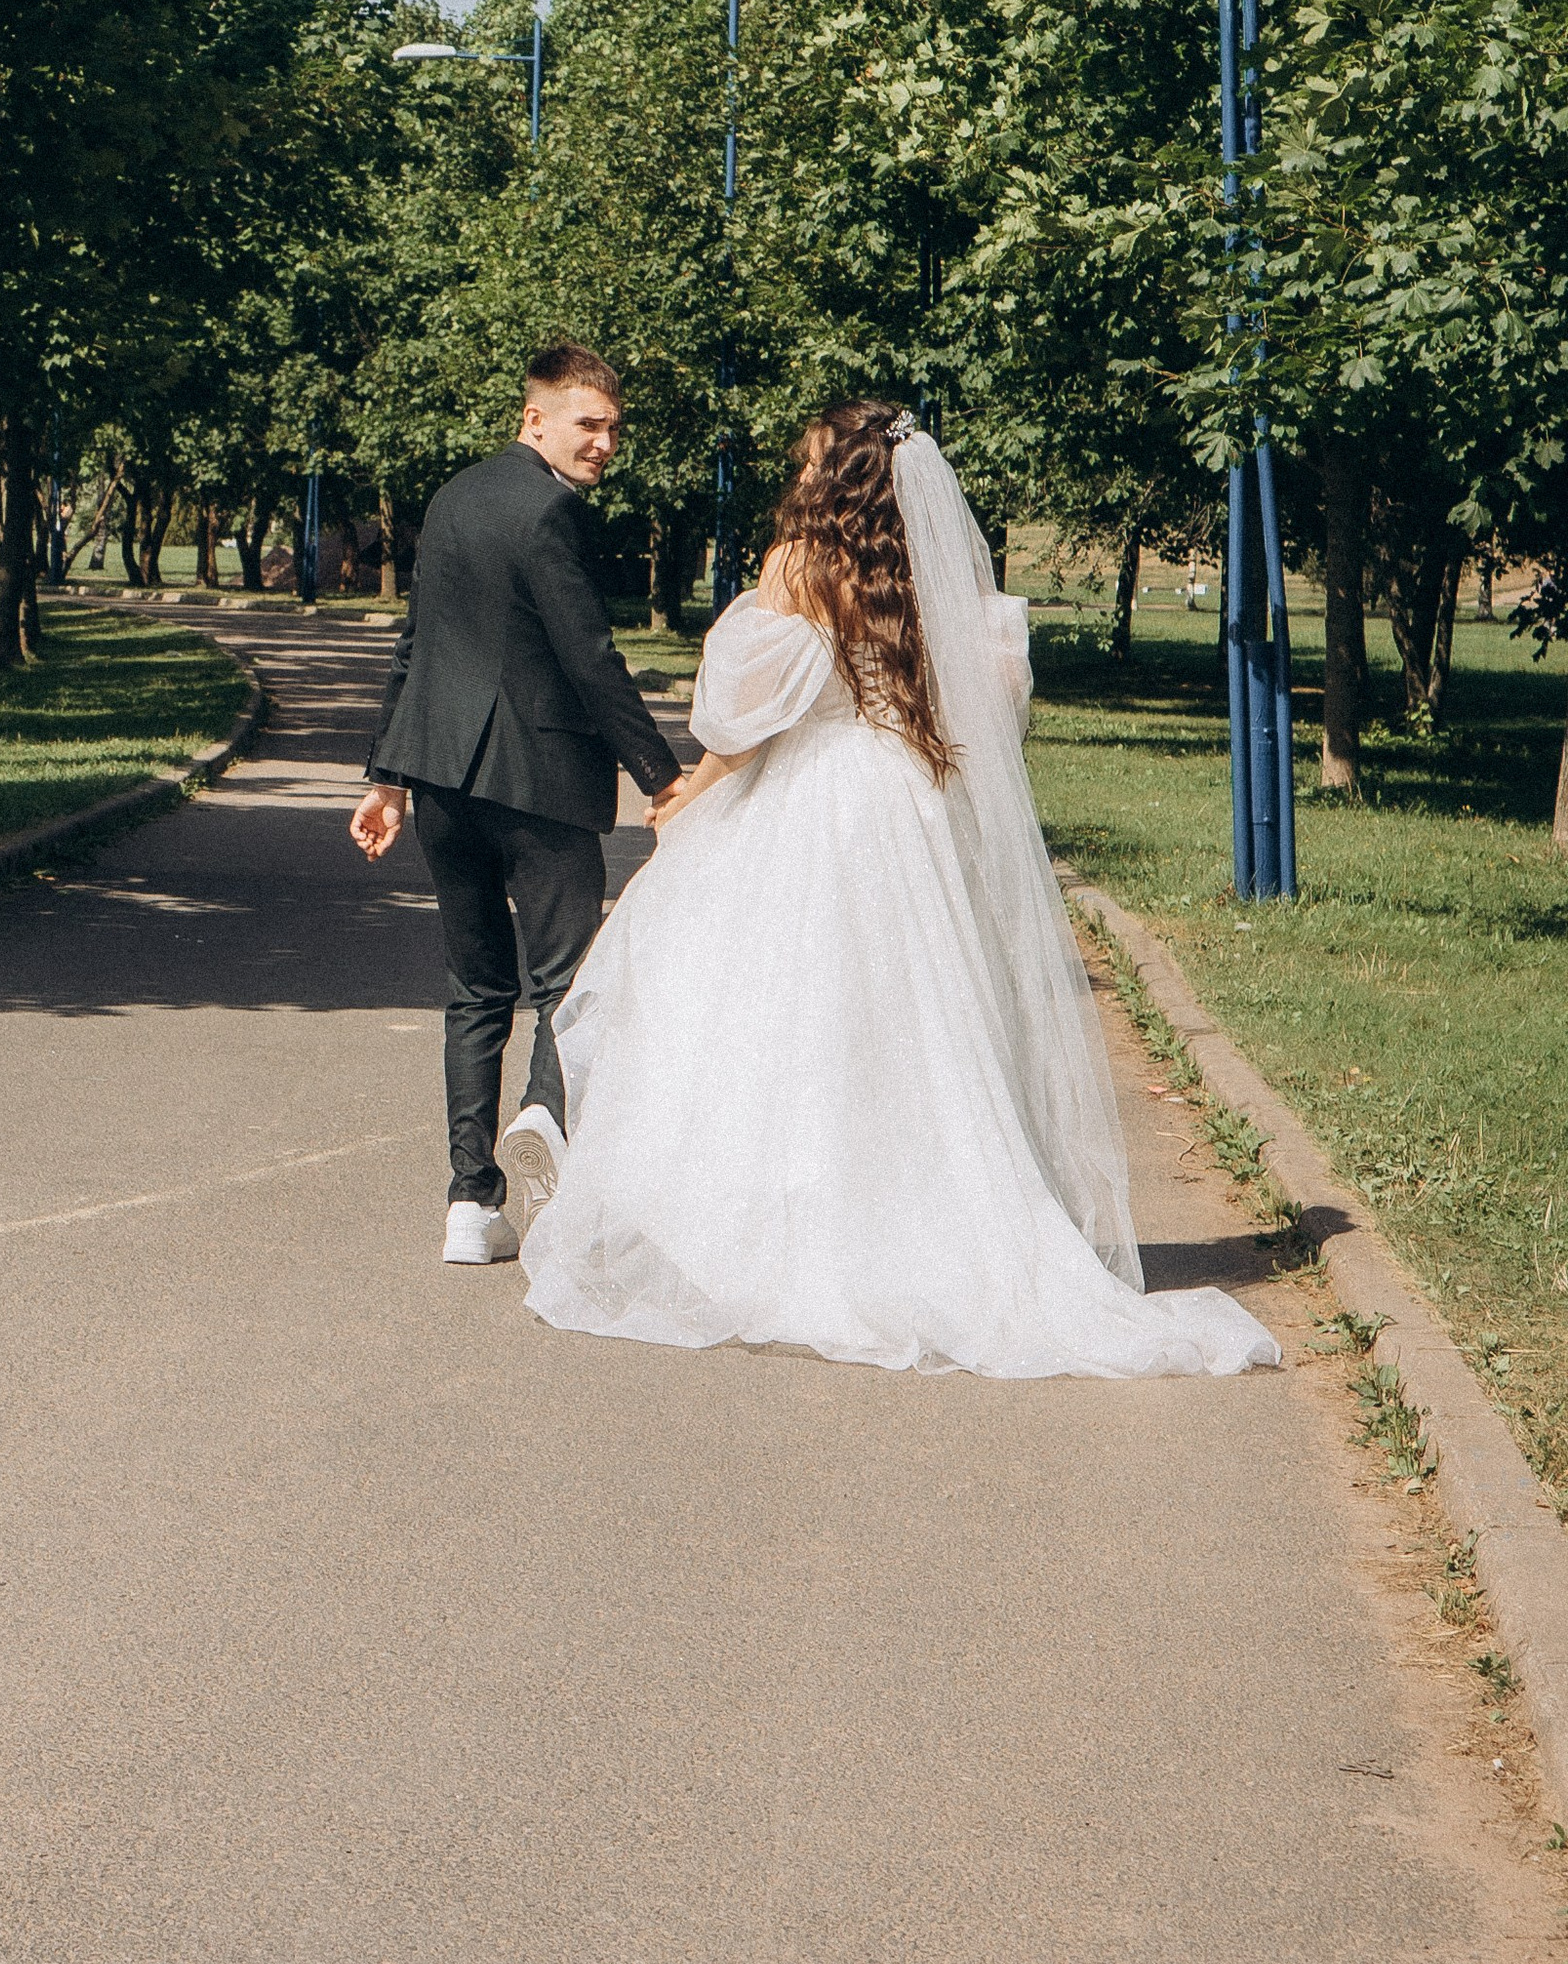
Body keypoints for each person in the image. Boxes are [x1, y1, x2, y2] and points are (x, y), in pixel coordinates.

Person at [518, 400, 1277, 1378]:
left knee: (789, 1020)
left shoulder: (802, 566)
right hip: (901, 801)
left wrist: (682, 800)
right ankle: (929, 1222)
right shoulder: (924, 565)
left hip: (817, 802)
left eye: (804, 457)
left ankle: (800, 1235)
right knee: (906, 1026)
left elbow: (743, 719)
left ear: (831, 475)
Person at [351, 343, 680, 1269]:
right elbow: (591, 658)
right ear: (535, 420)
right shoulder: (551, 513)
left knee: (474, 988)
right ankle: (545, 1121)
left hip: (443, 782)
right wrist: (662, 777)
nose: (607, 443)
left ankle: (470, 1202)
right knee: (569, 985)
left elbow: (414, 644)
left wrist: (387, 776)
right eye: (590, 424)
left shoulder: (453, 496)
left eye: (615, 427)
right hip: (538, 784)